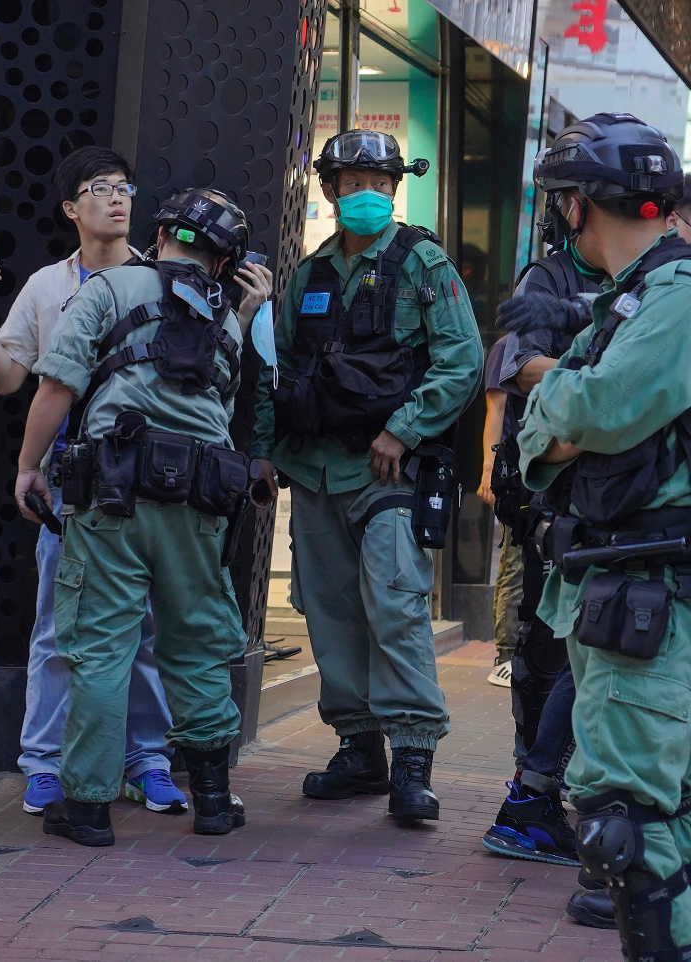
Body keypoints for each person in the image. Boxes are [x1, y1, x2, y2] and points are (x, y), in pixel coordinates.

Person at [14, 186, 271, 846]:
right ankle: (213, 800)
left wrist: (28, 467)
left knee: (101, 649)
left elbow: (56, 384)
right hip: (202, 502)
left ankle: (89, 808)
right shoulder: (230, 319)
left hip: (114, 495)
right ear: (222, 262)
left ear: (161, 237)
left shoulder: (108, 288)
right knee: (195, 647)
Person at [0, 147, 218, 816]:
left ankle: (148, 758)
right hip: (70, 482)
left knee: (147, 630)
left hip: (150, 484)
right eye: (99, 189)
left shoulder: (166, 278)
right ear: (71, 208)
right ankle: (43, 764)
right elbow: (9, 379)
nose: (117, 198)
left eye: (125, 187)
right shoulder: (49, 285)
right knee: (56, 626)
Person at [251, 129, 483, 822]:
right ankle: (359, 749)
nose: (367, 195)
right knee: (329, 611)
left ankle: (413, 755)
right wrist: (264, 451)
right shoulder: (309, 272)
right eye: (353, 183)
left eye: (379, 184)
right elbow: (279, 370)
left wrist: (402, 429)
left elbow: (462, 360)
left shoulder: (423, 262)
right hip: (316, 472)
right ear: (329, 191)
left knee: (396, 604)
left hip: (389, 471)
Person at [517, 112, 691, 960]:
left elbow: (597, 408)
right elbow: (537, 438)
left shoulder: (678, 295)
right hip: (625, 591)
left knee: (628, 822)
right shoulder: (632, 301)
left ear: (579, 205)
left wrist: (562, 398)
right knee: (660, 816)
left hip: (655, 599)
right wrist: (568, 405)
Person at [479, 238, 603, 921]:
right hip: (555, 497)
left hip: (604, 501)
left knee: (586, 648)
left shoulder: (642, 276)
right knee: (554, 649)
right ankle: (533, 795)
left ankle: (535, 793)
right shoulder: (549, 275)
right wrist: (606, 390)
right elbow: (513, 368)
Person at [479, 333, 522, 684]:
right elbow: (496, 409)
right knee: (515, 561)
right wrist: (489, 472)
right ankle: (506, 655)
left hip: (545, 470)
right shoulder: (507, 346)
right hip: (514, 472)